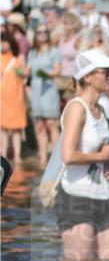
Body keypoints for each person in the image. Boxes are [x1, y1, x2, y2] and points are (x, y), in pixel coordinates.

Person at [55, 49, 109, 261]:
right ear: (88, 77)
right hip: (75, 197)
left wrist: (107, 162)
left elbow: (100, 150)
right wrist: (99, 155)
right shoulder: (77, 108)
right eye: (105, 72)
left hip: (100, 195)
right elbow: (68, 155)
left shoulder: (100, 109)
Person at [28, 24, 62, 169]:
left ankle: (56, 157)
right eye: (39, 32)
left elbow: (58, 71)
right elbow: (27, 70)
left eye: (45, 32)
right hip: (36, 89)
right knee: (40, 125)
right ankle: (42, 157)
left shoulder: (53, 51)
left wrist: (47, 74)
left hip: (48, 88)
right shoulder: (32, 53)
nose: (42, 34)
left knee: (51, 124)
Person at [0, 32, 27, 169]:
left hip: (16, 96)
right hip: (2, 98)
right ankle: (3, 154)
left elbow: (25, 73)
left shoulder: (18, 57)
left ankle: (17, 155)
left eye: (4, 41)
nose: (2, 44)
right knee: (3, 128)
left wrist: (22, 72)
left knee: (16, 128)